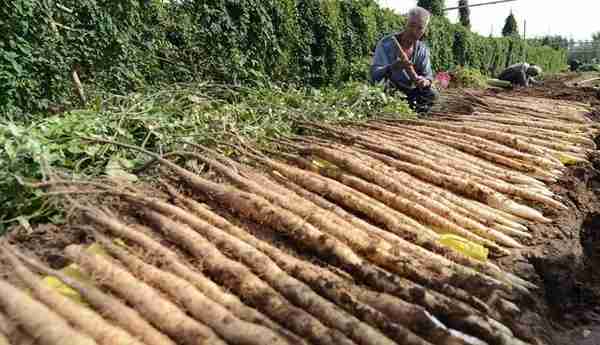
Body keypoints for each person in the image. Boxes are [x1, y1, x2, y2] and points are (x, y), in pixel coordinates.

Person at [370, 7, 438, 113]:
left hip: (410, 92)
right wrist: (392, 67)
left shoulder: (422, 50)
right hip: (390, 91)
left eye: (420, 28)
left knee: (431, 94)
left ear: (424, 30)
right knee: (384, 93)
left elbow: (428, 76)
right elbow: (374, 74)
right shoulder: (386, 44)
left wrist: (424, 81)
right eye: (411, 25)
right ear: (405, 23)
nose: (414, 31)